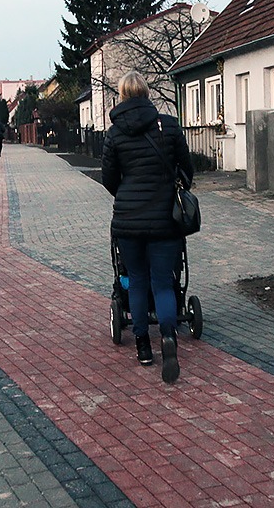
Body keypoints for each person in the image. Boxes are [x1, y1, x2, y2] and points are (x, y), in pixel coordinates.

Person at [101, 71, 193, 384]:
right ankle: (168, 336)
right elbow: (187, 168)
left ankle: (142, 346)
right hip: (166, 219)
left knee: (136, 280)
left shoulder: (114, 133)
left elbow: (109, 179)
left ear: (123, 95)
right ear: (147, 93)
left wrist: (127, 196)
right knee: (164, 283)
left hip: (128, 220)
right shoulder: (167, 125)